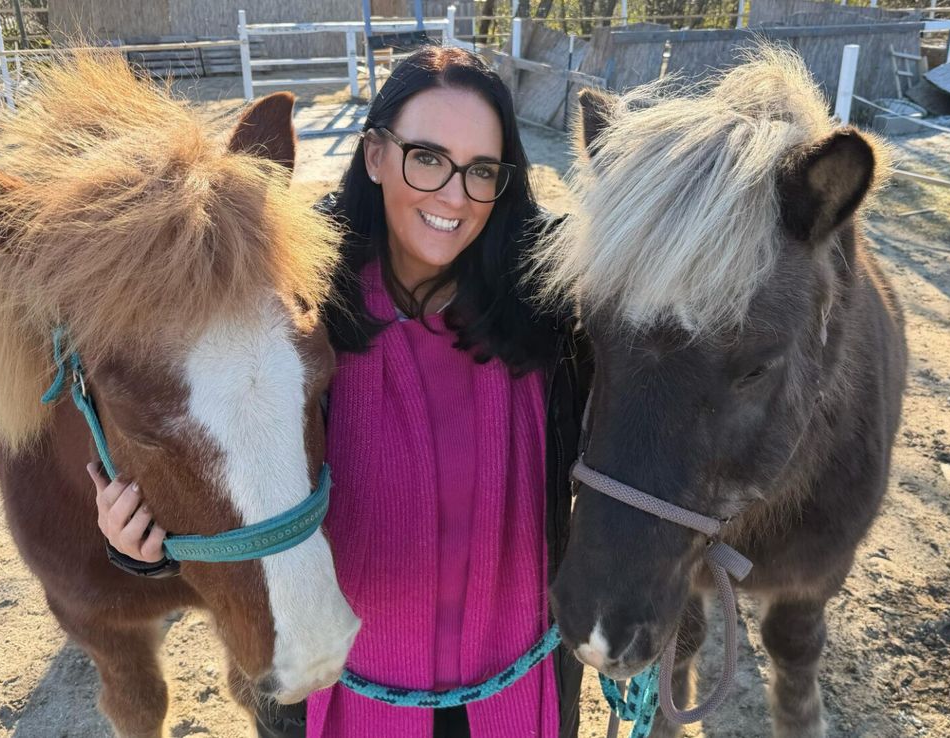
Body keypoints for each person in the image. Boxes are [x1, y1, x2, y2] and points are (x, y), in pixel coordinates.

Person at [90, 45, 590, 738]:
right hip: (345, 686)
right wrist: (141, 546)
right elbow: (216, 453)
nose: (454, 194)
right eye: (427, 158)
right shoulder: (293, 311)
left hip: (518, 686)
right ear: (376, 155)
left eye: (481, 171)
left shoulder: (552, 306)